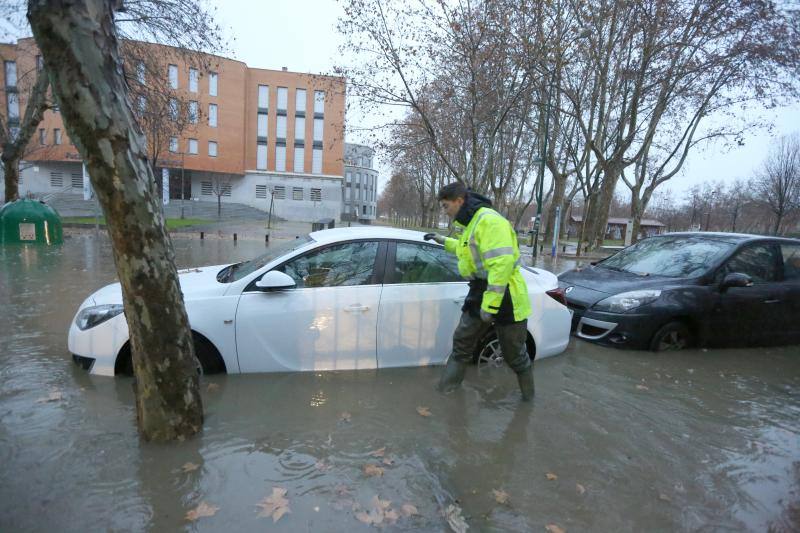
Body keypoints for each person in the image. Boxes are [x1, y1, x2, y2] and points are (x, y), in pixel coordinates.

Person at [424, 182, 534, 401]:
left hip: (506, 295)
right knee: (461, 345)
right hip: (479, 291)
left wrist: (490, 306)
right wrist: (443, 240)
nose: (445, 212)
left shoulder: (490, 221)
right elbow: (468, 250)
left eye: (446, 207)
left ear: (459, 201)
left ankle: (529, 400)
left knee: (515, 356)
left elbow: (500, 266)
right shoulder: (473, 223)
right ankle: (445, 396)